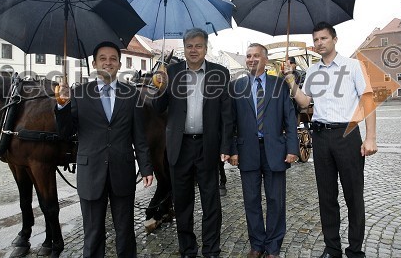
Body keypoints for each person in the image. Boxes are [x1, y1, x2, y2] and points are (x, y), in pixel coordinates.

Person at [283, 22, 377, 258]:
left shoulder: (353, 66)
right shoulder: (313, 72)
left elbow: (368, 102)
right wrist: (291, 81)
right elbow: (305, 102)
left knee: (353, 195)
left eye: (323, 38)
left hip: (348, 135)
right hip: (321, 136)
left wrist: (371, 138)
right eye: (316, 40)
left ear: (335, 39)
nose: (319, 43)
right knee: (326, 196)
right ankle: (332, 248)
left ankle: (355, 250)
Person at [55, 41, 154, 258]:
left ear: (119, 64)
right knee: (93, 233)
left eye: (112, 59)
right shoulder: (78, 93)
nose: (108, 63)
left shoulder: (131, 94)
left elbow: (139, 136)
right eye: (103, 59)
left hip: (122, 171)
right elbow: (65, 133)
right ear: (94, 63)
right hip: (91, 172)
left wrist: (146, 167)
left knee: (125, 231)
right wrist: (62, 106)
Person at [152, 28, 232, 258]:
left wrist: (226, 146)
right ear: (184, 49)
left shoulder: (220, 73)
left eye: (198, 46)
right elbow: (158, 109)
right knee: (183, 203)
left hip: (208, 146)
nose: (194, 50)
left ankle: (211, 249)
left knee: (211, 203)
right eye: (189, 46)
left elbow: (227, 114)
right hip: (180, 146)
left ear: (206, 48)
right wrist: (160, 87)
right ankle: (188, 249)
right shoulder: (172, 72)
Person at [230, 43, 299, 258]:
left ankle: (273, 246)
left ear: (265, 60)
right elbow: (230, 122)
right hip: (247, 151)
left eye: (256, 56)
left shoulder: (279, 85)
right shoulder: (237, 86)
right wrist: (232, 150)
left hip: (275, 151)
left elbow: (289, 118)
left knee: (275, 200)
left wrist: (292, 148)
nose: (251, 59)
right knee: (251, 200)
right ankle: (257, 244)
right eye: (248, 56)